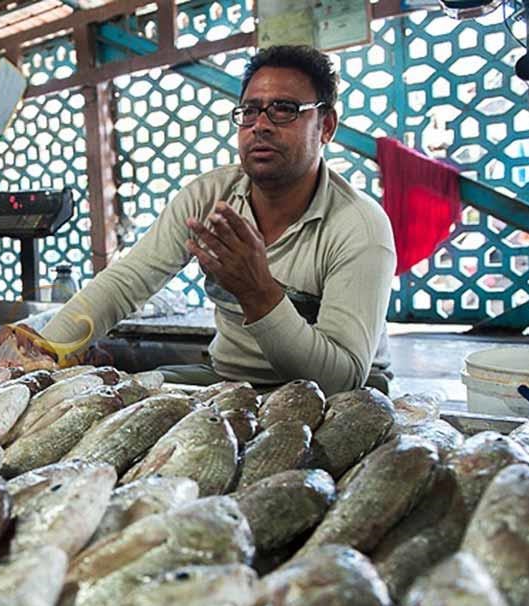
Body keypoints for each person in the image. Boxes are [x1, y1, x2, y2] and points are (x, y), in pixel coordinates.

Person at [40, 45, 396, 396]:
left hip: (332, 398)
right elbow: (126, 282)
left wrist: (259, 294)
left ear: (326, 126)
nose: (261, 126)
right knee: (119, 395)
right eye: (251, 111)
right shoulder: (211, 196)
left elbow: (342, 379)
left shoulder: (359, 226)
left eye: (284, 110)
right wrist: (38, 352)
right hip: (228, 382)